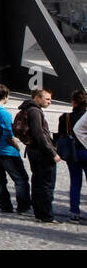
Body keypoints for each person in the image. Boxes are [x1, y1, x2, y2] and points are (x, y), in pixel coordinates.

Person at [0, 83, 30, 215]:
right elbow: (8, 135)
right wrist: (17, 146)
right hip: (7, 151)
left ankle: (5, 206)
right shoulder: (3, 113)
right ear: (6, 96)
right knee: (21, 179)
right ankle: (23, 207)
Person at [19, 88, 60, 222]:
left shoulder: (29, 109)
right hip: (42, 153)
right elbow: (39, 135)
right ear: (37, 98)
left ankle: (39, 212)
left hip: (33, 151)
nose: (50, 102)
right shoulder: (35, 111)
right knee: (46, 185)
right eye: (47, 99)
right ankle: (46, 215)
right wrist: (52, 153)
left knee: (37, 182)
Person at [55, 89, 87, 222]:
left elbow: (60, 135)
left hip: (72, 153)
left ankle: (74, 212)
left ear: (73, 102)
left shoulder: (65, 117)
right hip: (85, 151)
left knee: (75, 182)